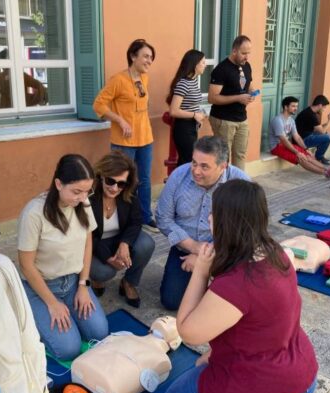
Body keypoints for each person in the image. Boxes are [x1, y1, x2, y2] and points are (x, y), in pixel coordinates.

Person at [163, 179, 318, 393]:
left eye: (213, 213)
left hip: (268, 388)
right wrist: (216, 353)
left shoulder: (237, 284)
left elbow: (188, 332)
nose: (209, 218)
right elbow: (260, 322)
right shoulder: (276, 252)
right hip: (301, 372)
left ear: (226, 222)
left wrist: (201, 271)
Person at [17, 154, 108, 361]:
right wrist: (52, 303)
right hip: (41, 287)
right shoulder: (34, 213)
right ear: (58, 184)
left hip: (73, 282)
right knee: (68, 349)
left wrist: (83, 285)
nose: (83, 198)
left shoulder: (82, 203)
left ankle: (61, 317)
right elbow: (26, 265)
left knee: (99, 333)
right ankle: (29, 315)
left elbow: (87, 243)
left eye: (87, 191)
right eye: (76, 191)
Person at [155, 136, 250, 311]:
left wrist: (205, 254)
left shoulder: (241, 183)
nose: (196, 171)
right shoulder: (178, 176)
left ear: (223, 166)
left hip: (225, 251)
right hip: (185, 247)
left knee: (228, 303)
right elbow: (163, 218)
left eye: (204, 166)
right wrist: (193, 247)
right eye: (194, 163)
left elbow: (245, 229)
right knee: (171, 301)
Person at [93, 39, 158, 232]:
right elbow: (98, 105)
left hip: (145, 138)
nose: (149, 61)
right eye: (146, 56)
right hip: (124, 142)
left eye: (151, 58)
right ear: (132, 56)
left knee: (144, 180)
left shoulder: (145, 78)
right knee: (119, 181)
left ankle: (145, 217)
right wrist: (120, 120)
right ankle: (120, 219)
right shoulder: (118, 80)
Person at [89, 151, 155, 308]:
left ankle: (128, 282)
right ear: (101, 176)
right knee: (105, 272)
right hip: (93, 244)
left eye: (121, 183)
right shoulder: (88, 196)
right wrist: (107, 258)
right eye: (110, 181)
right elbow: (87, 235)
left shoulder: (128, 192)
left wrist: (125, 244)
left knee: (146, 244)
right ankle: (96, 279)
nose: (114, 188)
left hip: (118, 239)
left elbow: (135, 222)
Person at [208, 35, 257, 170]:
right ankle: (223, 182)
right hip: (223, 120)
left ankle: (238, 183)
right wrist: (238, 98)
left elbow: (249, 84)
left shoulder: (246, 66)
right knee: (223, 157)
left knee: (240, 155)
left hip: (242, 118)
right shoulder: (221, 69)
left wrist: (252, 93)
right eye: (244, 53)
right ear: (234, 51)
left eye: (249, 53)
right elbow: (212, 98)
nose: (247, 57)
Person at [269, 96, 330, 178]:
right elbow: (283, 140)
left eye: (296, 106)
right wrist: (297, 152)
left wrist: (306, 149)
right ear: (286, 107)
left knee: (308, 155)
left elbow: (297, 137)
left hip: (286, 145)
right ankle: (326, 173)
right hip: (277, 147)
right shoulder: (278, 120)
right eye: (293, 106)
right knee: (300, 158)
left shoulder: (291, 120)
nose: (295, 108)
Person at [166, 49, 207, 166]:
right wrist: (194, 115)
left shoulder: (193, 82)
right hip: (183, 129)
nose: (205, 65)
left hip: (191, 127)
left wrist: (198, 116)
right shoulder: (183, 83)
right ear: (195, 64)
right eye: (203, 62)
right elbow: (173, 111)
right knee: (188, 162)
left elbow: (191, 105)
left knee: (187, 162)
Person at [295, 94, 330, 165]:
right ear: (320, 105)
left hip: (306, 135)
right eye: (324, 107)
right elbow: (322, 131)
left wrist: (327, 123)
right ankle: (319, 157)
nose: (324, 109)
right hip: (302, 140)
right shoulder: (311, 115)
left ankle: (320, 156)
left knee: (326, 134)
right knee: (328, 137)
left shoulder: (309, 111)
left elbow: (318, 128)